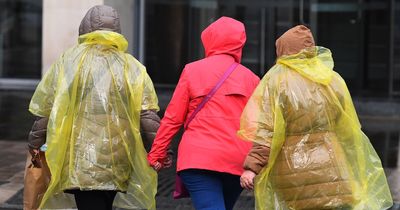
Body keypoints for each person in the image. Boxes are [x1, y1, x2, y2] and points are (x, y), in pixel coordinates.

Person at [238, 25, 393, 210]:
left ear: (284, 49)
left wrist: (252, 167)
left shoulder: (277, 81)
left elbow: (267, 129)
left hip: (292, 169)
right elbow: (347, 128)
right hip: (333, 164)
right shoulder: (332, 78)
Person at [27, 5, 163, 210]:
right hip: (118, 154)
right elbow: (147, 114)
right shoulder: (132, 66)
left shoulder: (68, 61)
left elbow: (48, 106)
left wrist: (35, 142)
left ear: (85, 28)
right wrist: (159, 149)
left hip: (78, 156)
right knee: (105, 200)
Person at [147, 16, 260, 210]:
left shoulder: (192, 71)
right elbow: (258, 127)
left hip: (198, 159)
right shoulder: (252, 79)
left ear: (210, 40)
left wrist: (157, 154)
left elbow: (173, 118)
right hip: (236, 161)